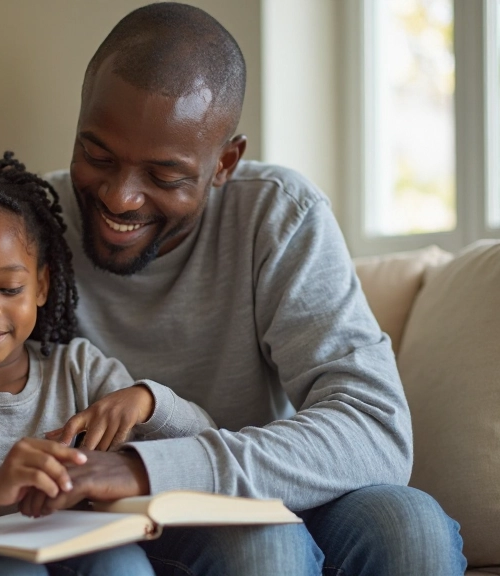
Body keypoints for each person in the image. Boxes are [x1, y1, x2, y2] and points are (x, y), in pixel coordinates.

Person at [23, 3, 467, 575]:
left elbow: (374, 427)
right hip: (92, 517)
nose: (120, 198)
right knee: (262, 546)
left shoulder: (277, 214)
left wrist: (149, 467)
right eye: (97, 155)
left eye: (165, 177)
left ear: (226, 162)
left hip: (250, 486)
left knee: (408, 525)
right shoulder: (21, 223)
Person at [0, 146, 209, 575]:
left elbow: (206, 440)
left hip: (70, 542)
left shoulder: (80, 371)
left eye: (9, 289)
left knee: (123, 564)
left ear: (42, 287)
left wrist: (148, 401)